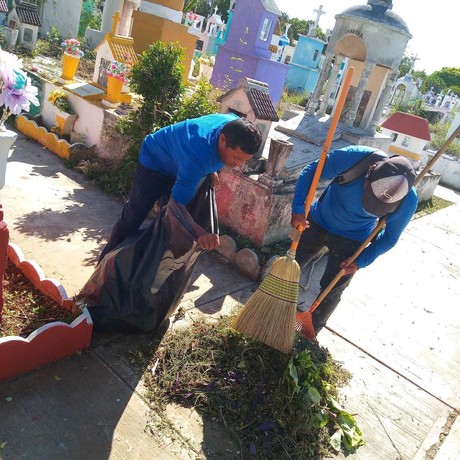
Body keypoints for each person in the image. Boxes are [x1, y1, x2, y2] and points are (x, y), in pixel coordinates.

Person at [99, 113, 262, 262]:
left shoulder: (234, 124)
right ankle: (101, 273)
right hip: (154, 161)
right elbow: (176, 206)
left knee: (168, 229)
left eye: (244, 160)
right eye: (236, 158)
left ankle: (142, 274)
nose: (238, 164)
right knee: (132, 217)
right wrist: (200, 233)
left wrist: (212, 170)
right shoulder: (197, 158)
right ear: (222, 140)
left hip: (179, 163)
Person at [291, 145, 417, 334]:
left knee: (332, 289)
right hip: (317, 221)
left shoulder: (407, 200)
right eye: (370, 198)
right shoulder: (355, 159)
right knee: (291, 266)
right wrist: (299, 209)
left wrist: (360, 261)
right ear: (370, 174)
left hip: (353, 239)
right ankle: (273, 307)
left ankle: (311, 330)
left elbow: (389, 238)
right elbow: (311, 172)